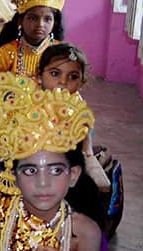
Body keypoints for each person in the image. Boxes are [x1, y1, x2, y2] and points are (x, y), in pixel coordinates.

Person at [0, 72, 101, 251]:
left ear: (73, 175)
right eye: (30, 170)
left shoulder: (85, 232)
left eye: (55, 170)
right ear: (13, 175)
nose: (43, 183)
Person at [36, 43, 112, 221]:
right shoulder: (29, 106)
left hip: (70, 175)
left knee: (89, 209)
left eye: (73, 76)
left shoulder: (79, 111)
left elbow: (86, 151)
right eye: (55, 74)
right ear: (39, 76)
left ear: (82, 81)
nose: (63, 82)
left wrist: (89, 159)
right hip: (33, 170)